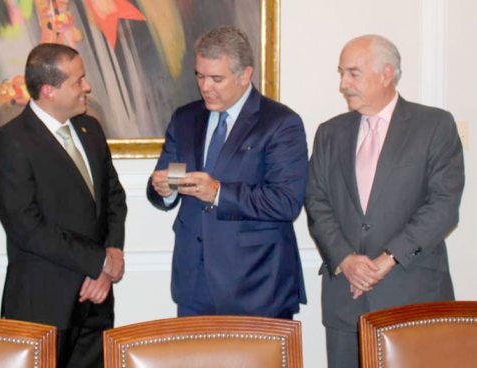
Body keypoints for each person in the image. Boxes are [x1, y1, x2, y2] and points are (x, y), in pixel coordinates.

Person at [305, 34, 464, 368]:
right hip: (345, 298)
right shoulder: (329, 133)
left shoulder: (434, 125)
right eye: (341, 73)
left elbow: (443, 207)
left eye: (353, 73)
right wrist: (346, 259)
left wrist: (387, 259)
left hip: (413, 292)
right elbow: (316, 201)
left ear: (386, 74)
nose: (343, 84)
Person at [146, 26, 308, 319]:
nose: (205, 87)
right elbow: (163, 181)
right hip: (194, 284)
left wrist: (218, 193)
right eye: (200, 76)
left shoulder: (280, 123)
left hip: (257, 285)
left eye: (216, 79)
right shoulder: (185, 118)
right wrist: (164, 189)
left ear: (245, 75)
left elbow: (286, 202)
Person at [0, 43, 127, 368]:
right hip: (43, 307)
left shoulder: (90, 130)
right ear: (49, 90)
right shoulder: (10, 143)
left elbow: (113, 200)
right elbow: (28, 229)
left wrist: (110, 257)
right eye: (78, 81)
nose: (87, 87)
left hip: (97, 302)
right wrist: (99, 261)